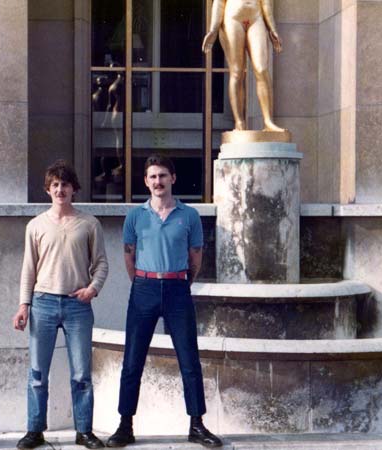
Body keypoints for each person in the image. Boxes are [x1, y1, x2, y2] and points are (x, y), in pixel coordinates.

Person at [106, 155, 222, 448]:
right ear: (146, 181)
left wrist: (180, 281)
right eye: (152, 177)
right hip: (143, 288)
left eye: (163, 176)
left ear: (173, 178)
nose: (158, 182)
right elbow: (128, 256)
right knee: (132, 361)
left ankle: (197, 424)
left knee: (189, 360)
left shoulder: (189, 215)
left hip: (177, 289)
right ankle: (125, 425)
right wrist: (144, 282)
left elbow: (196, 256)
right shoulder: (135, 216)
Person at [12, 160, 108, 449]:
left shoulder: (89, 223)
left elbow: (101, 263)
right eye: (55, 184)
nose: (60, 189)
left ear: (73, 189)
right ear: (48, 189)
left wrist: (93, 289)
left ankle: (84, 431)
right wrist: (23, 305)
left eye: (65, 184)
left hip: (77, 306)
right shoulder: (36, 225)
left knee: (81, 374)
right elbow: (28, 268)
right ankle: (34, 430)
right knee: (38, 373)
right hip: (42, 303)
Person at [202, 0, 284, 132]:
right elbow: (219, 2)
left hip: (256, 16)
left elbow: (266, 2)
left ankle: (268, 121)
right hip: (233, 17)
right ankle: (239, 123)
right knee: (236, 72)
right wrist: (213, 29)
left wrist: (272, 28)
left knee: (261, 69)